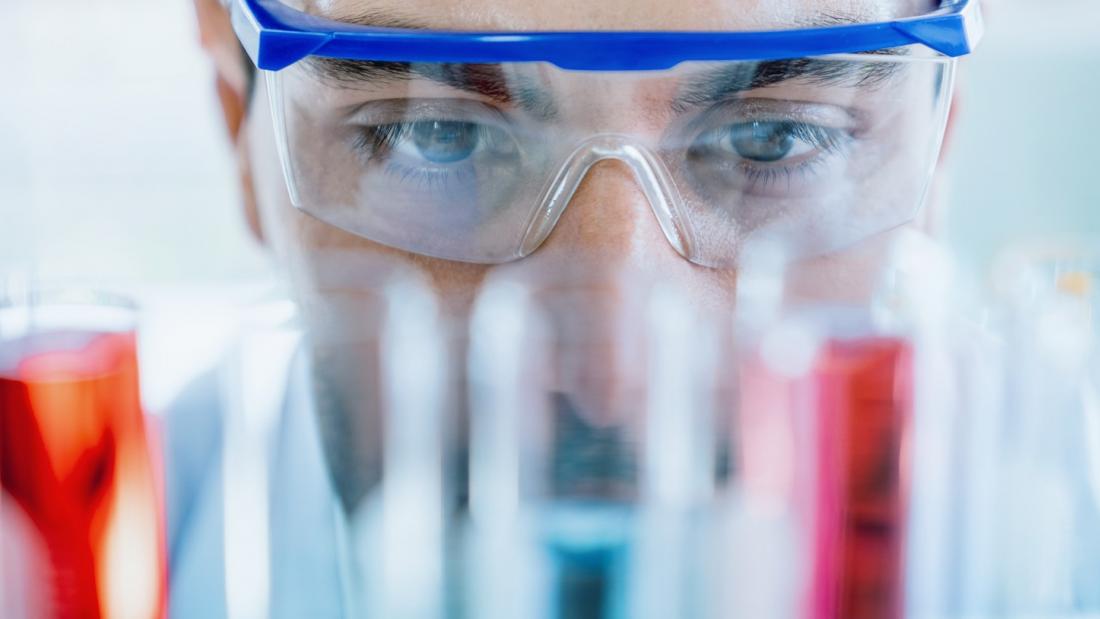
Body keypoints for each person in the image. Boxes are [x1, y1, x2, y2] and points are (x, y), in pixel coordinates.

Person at [169, 0, 978, 616]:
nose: (610, 376)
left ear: (937, 144)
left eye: (770, 137)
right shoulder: (103, 558)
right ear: (240, 123)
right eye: (436, 135)